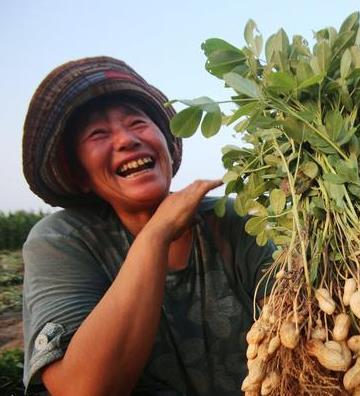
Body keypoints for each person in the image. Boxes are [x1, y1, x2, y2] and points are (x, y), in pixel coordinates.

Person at [21, 56, 275, 395]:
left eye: (137, 123)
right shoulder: (62, 240)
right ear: (80, 176)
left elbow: (303, 321)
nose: (126, 140)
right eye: (99, 133)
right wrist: (157, 233)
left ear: (168, 146)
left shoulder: (231, 220)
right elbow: (82, 389)